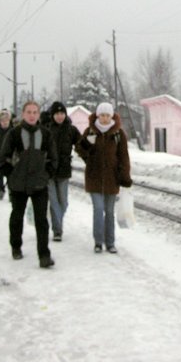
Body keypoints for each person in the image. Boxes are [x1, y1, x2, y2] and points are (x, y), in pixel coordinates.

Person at [0, 101, 58, 268]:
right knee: (17, 216)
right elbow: (3, 159)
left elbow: (53, 159)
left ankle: (44, 255)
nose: (32, 115)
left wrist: (46, 175)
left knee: (42, 221)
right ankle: (16, 246)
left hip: (39, 184)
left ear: (39, 114)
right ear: (23, 114)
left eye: (35, 112)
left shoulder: (45, 134)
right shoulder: (14, 134)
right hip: (18, 185)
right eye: (29, 112)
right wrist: (11, 175)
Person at [75, 102, 132, 254]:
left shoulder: (118, 134)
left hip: (112, 178)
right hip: (94, 177)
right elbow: (79, 149)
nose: (105, 118)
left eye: (107, 115)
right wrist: (87, 144)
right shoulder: (90, 131)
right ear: (97, 115)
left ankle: (110, 242)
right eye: (102, 115)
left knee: (109, 210)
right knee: (98, 209)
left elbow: (124, 156)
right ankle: (98, 242)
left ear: (111, 116)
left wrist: (125, 176)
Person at [45, 101, 81, 242]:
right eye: (57, 114)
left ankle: (56, 221)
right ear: (52, 115)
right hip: (49, 170)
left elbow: (81, 144)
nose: (60, 116)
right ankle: (57, 231)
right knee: (54, 202)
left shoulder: (71, 130)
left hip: (64, 171)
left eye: (62, 113)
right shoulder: (46, 129)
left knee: (63, 202)